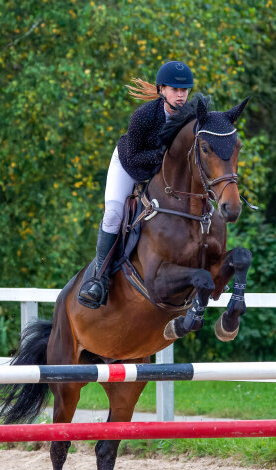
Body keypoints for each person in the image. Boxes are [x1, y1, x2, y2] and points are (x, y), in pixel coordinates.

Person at [77, 60, 194, 309]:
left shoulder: (190, 118)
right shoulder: (144, 115)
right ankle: (98, 280)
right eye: (175, 89)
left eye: (184, 90)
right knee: (113, 214)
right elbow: (133, 157)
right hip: (129, 166)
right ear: (162, 90)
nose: (181, 95)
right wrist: (164, 155)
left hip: (161, 174)